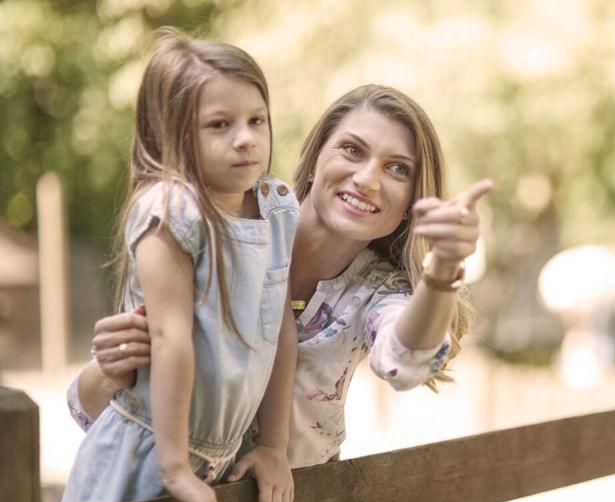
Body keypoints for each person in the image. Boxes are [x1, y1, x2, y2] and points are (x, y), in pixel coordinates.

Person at [69, 84, 492, 478]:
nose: (367, 179)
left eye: (397, 169)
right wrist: (109, 371)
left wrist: (442, 272)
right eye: (351, 150)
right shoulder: (224, 229)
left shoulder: (377, 292)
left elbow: (405, 364)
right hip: (168, 501)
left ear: (411, 204)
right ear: (316, 158)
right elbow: (86, 410)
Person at [59, 29, 298, 502]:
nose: (245, 138)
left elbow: (280, 331)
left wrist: (274, 446)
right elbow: (170, 337)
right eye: (219, 124)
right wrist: (174, 469)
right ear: (172, 135)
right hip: (144, 455)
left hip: (220, 463)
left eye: (257, 120)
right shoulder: (173, 211)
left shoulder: (277, 209)